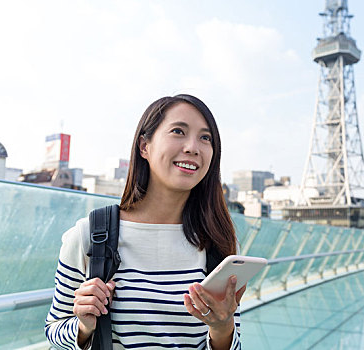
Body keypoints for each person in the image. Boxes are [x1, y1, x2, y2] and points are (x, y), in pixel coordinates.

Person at [45, 95, 244, 350]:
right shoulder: (91, 234)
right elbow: (54, 331)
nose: (193, 147)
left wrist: (223, 327)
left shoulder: (219, 241)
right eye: (178, 131)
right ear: (144, 147)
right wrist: (84, 327)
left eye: (205, 138)